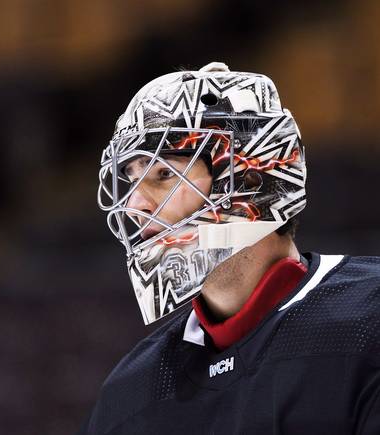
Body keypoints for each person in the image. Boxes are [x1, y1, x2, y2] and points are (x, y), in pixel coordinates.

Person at [80, 62, 380, 434]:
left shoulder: (371, 318)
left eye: (162, 174)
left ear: (251, 176)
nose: (136, 204)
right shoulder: (129, 393)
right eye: (131, 180)